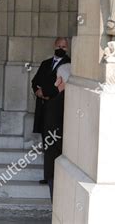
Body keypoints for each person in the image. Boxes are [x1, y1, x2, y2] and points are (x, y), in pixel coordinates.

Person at [31, 37, 71, 184]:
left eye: (64, 46)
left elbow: (61, 86)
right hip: (43, 108)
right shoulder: (45, 63)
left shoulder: (69, 64)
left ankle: (55, 177)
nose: (61, 48)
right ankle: (48, 175)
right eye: (59, 45)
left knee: (55, 143)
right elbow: (35, 81)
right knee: (46, 142)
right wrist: (37, 91)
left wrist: (45, 92)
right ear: (54, 46)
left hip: (56, 109)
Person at [43, 63, 70, 200]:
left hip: (56, 161)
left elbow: (52, 135)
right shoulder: (72, 100)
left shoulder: (55, 104)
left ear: (60, 80)